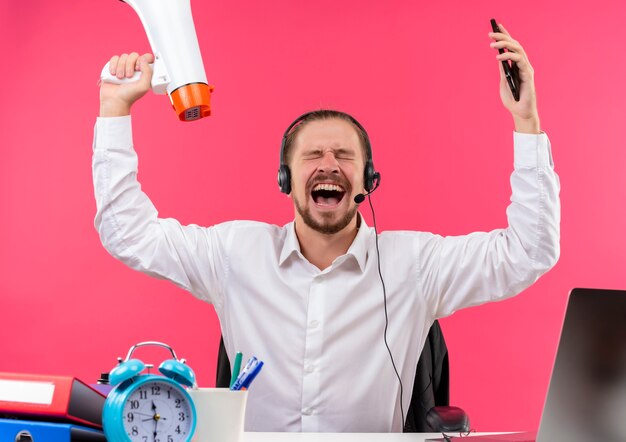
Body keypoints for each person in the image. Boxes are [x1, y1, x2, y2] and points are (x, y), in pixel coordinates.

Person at [93, 23, 559, 432]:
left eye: (344, 156)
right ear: (286, 179)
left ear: (368, 179)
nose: (329, 165)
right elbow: (129, 234)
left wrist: (526, 121)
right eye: (313, 156)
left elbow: (529, 251)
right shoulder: (234, 253)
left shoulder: (416, 265)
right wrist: (115, 110)